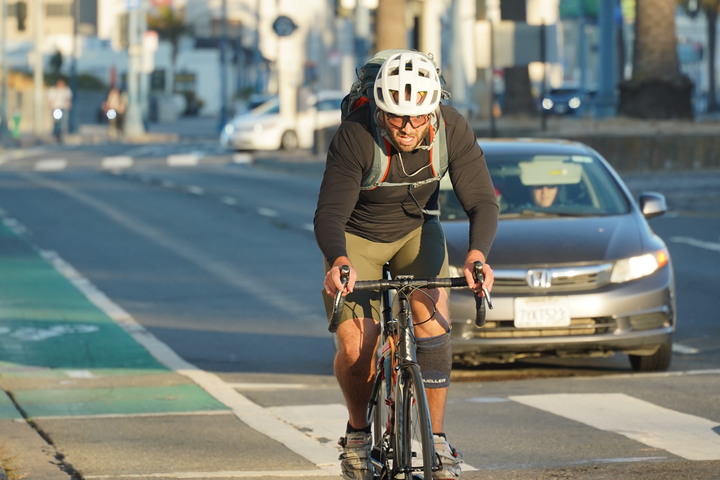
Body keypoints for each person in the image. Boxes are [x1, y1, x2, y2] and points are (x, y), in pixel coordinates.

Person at [314, 51, 498, 480]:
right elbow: (329, 215)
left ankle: (434, 440)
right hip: (357, 238)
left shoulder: (453, 129)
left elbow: (482, 202)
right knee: (359, 348)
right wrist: (339, 259)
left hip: (418, 230)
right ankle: (358, 434)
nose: (409, 128)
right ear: (380, 110)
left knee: (431, 322)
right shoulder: (355, 136)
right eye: (397, 118)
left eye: (418, 118)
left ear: (433, 109)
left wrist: (476, 255)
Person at [47, 78, 72, 143]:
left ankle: (61, 135)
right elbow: (50, 99)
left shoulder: (66, 90)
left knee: (63, 122)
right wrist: (50, 106)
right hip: (56, 108)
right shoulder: (53, 90)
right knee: (56, 122)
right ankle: (56, 134)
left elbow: (68, 99)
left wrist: (68, 104)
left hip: (63, 108)